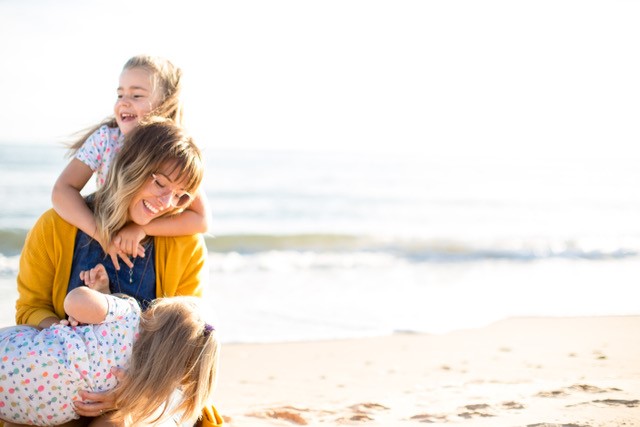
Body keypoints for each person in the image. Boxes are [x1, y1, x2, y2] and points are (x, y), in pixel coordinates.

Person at [15, 119, 223, 426]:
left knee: (117, 424)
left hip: (149, 382)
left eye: (180, 196)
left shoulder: (184, 244)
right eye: (160, 183)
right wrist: (68, 347)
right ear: (132, 164)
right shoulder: (55, 227)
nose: (166, 203)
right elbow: (30, 308)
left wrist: (132, 389)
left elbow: (187, 337)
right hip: (67, 382)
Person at [52, 54, 211, 271]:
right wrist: (102, 235)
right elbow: (62, 190)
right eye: (120, 94)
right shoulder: (106, 139)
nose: (124, 102)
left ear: (164, 105)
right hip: (104, 238)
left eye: (136, 95)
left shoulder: (172, 152)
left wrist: (142, 228)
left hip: (146, 248)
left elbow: (201, 219)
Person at [0, 285, 218, 427]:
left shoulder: (129, 313)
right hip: (24, 410)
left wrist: (102, 300)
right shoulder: (142, 387)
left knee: (35, 335)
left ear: (156, 313)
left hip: (12, 354)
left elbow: (73, 301)